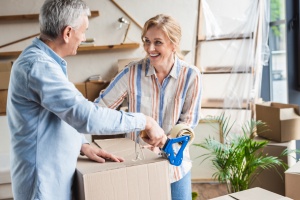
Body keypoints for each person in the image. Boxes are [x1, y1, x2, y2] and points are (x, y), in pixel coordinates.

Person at [6, 1, 167, 200]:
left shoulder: (46, 62)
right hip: (43, 188)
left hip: (53, 181)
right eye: (83, 31)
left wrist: (82, 145)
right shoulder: (39, 67)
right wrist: (144, 121)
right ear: (67, 33)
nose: (83, 38)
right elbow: (85, 116)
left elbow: (60, 115)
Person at [95, 14, 202, 200]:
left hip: (175, 167)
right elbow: (99, 109)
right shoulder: (131, 73)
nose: (149, 48)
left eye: (157, 42)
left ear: (173, 44)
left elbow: (188, 124)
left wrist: (163, 143)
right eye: (146, 41)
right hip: (138, 166)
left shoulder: (191, 76)